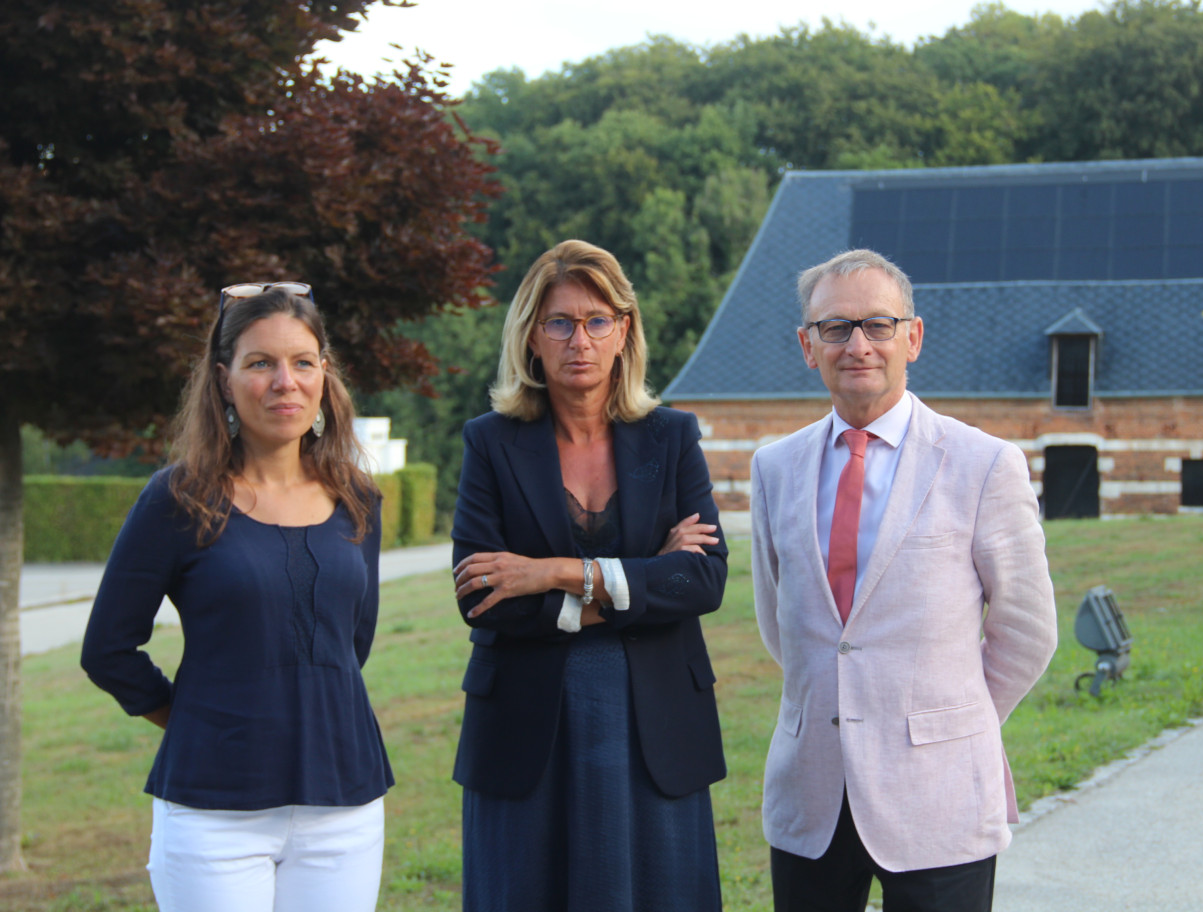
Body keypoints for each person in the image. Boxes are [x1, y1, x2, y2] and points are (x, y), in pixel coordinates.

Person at [749, 249, 1057, 912]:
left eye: (878, 325)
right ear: (808, 346)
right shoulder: (774, 468)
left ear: (912, 337)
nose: (857, 344)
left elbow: (1028, 633)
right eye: (836, 328)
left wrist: (945, 723)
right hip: (812, 793)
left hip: (938, 793)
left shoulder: (984, 464)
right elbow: (783, 626)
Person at [80, 283, 393, 912]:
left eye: (303, 362)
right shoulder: (178, 498)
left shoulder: (359, 499)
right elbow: (107, 649)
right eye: (260, 364)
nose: (285, 382)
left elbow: (349, 644)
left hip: (344, 806)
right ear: (223, 381)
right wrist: (190, 715)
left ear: (324, 375)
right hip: (212, 814)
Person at [450, 239, 728, 911]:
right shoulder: (490, 443)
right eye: (561, 322)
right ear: (531, 338)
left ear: (624, 330)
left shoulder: (672, 437)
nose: (581, 339)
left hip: (652, 723)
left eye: (598, 320)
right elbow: (485, 596)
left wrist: (550, 572)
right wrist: (643, 577)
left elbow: (705, 581)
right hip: (525, 729)